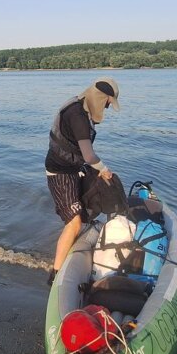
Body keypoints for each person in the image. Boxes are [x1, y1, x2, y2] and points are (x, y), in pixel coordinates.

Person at [45, 77, 120, 277]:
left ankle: (76, 252)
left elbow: (81, 153)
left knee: (86, 211)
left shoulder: (81, 106)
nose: (106, 107)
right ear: (101, 97)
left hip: (74, 168)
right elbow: (88, 155)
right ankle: (56, 274)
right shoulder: (77, 116)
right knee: (74, 222)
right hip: (60, 172)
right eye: (107, 102)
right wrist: (104, 169)